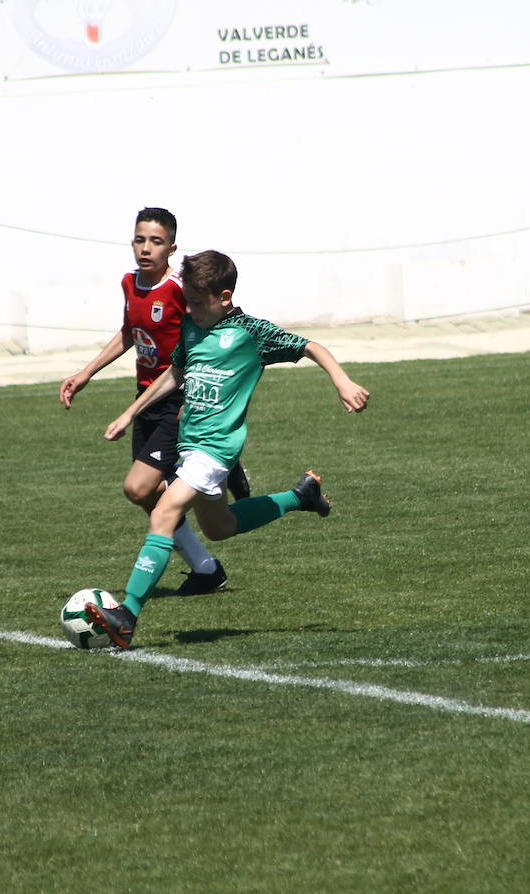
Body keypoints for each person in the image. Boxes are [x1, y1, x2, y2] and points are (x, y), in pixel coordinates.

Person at [83, 249, 371, 647]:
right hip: (191, 445)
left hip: (216, 448)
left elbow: (311, 346)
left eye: (198, 303)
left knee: (165, 509)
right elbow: (176, 373)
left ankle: (127, 614)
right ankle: (302, 495)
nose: (191, 309)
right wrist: (130, 413)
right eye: (188, 301)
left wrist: (342, 380)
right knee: (220, 528)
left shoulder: (253, 333)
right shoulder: (191, 326)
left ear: (225, 296)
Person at [59, 207, 249, 595]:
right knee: (146, 494)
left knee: (138, 487)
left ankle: (218, 471)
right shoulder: (130, 283)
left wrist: (200, 390)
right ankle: (206, 568)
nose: (146, 248)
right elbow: (129, 332)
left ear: (172, 248)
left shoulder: (181, 288)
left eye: (156, 242)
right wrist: (85, 373)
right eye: (140, 239)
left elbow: (216, 329)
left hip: (179, 397)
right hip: (147, 398)